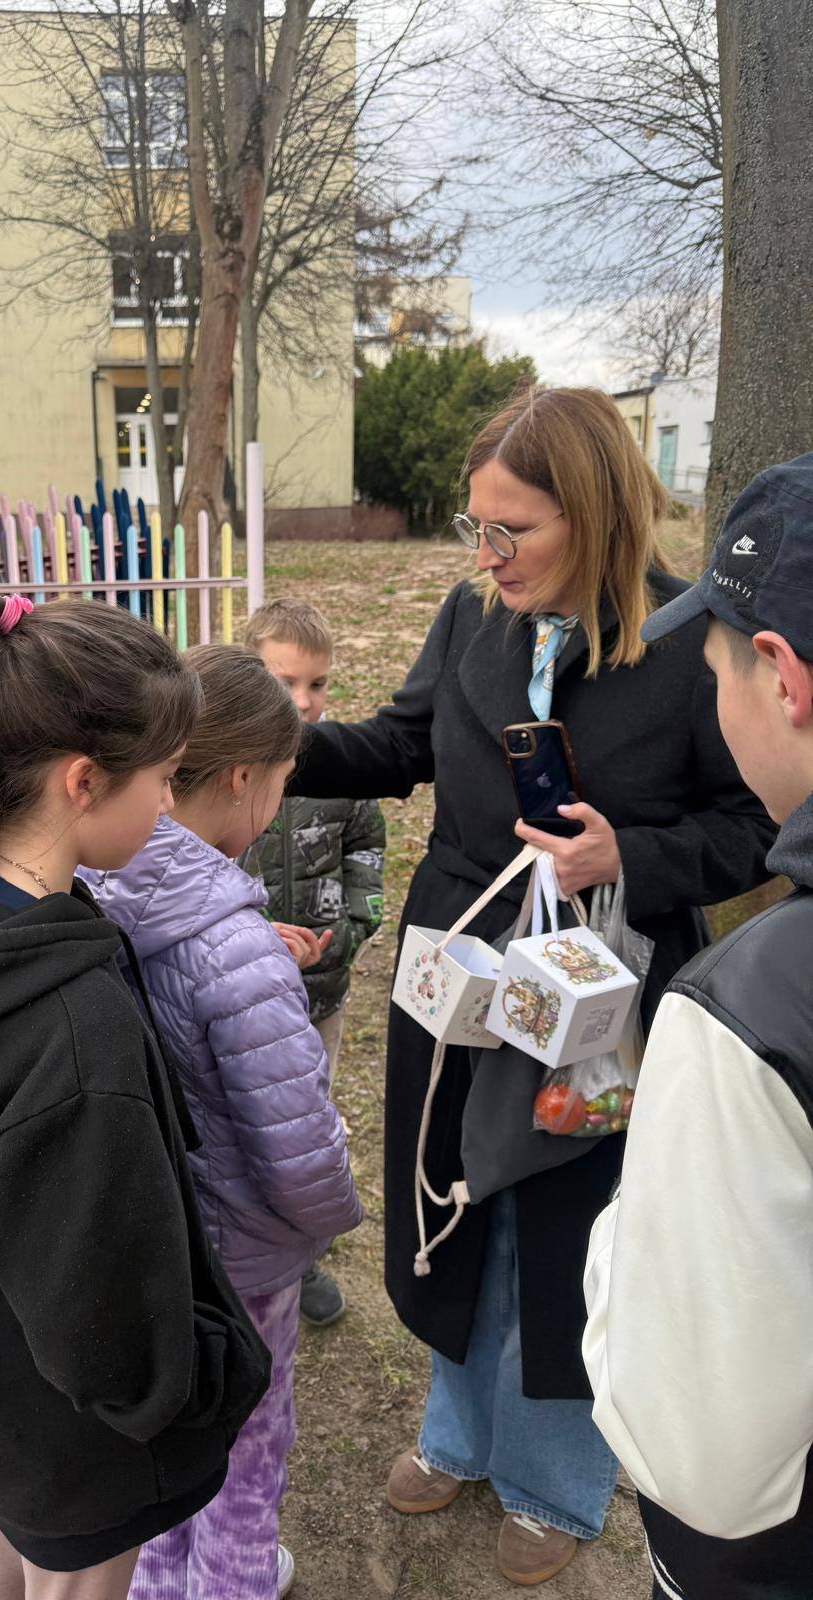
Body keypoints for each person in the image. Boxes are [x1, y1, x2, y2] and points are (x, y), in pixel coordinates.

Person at [287, 385, 777, 1585]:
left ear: (595, 514)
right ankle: (456, 1432)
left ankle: (554, 1478)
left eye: (513, 530)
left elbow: (757, 824)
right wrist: (261, 739)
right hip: (461, 961)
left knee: (571, 1221)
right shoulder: (471, 616)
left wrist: (631, 855)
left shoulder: (691, 644)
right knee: (455, 1188)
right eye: (478, 526)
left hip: (601, 980)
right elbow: (399, 744)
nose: (487, 554)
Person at [0, 594, 271, 1600]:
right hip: (85, 1441)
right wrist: (202, 1375)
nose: (171, 804)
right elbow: (109, 1332)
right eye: (163, 777)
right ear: (82, 780)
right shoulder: (69, 1027)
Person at [88, 643, 363, 1600]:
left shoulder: (97, 882)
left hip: (151, 1245)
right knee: (250, 1445)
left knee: (173, 1445)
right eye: (282, 782)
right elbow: (299, 1152)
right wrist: (331, 1217)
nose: (280, 804)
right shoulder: (237, 947)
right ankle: (238, 1580)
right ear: (243, 778)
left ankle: (158, 1585)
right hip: (245, 1257)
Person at [583, 455, 813, 1599]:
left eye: (719, 671)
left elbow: (698, 1451)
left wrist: (625, 1236)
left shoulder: (751, 1013)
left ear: (782, 679)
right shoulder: (474, 626)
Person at [238, 599, 385, 1327]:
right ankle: (243, 1250)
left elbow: (367, 851)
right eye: (284, 681)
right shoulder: (221, 771)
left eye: (317, 683)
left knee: (306, 1122)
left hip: (321, 995)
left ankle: (302, 1255)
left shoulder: (342, 769)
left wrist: (352, 930)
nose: (303, 701)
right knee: (245, 1124)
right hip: (243, 1003)